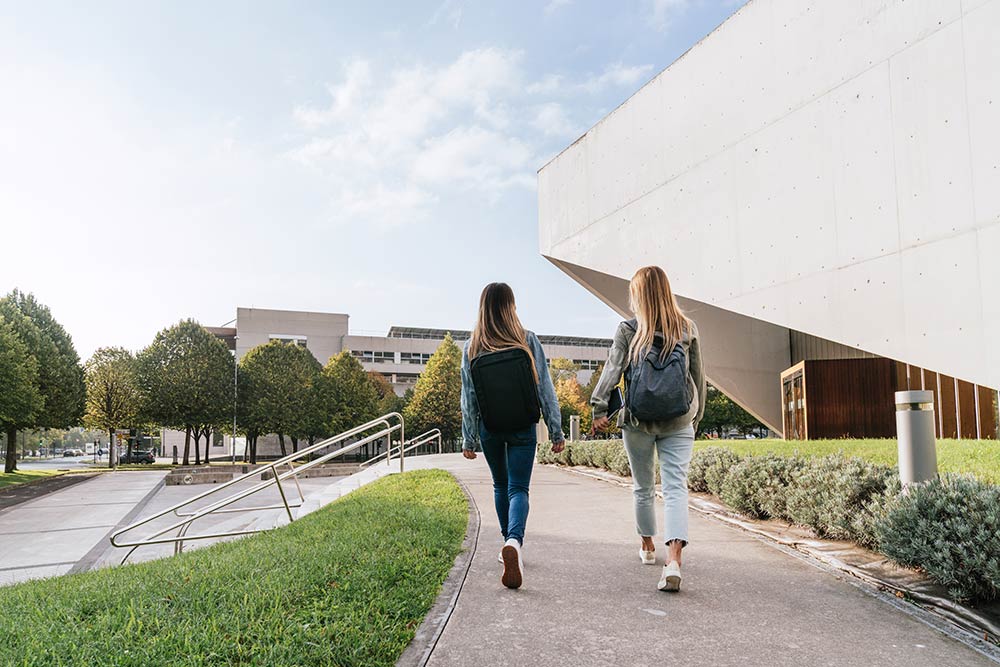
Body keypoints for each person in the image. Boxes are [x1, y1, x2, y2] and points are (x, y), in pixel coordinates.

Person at [590, 266, 706, 592]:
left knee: (642, 488)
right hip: (679, 420)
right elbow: (698, 377)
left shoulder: (629, 330)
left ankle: (648, 546)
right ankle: (674, 560)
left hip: (637, 422)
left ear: (637, 295)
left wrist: (599, 407)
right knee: (675, 488)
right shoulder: (687, 328)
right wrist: (696, 417)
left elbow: (612, 369)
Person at [461, 282, 565, 589]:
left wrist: (469, 438)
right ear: (511, 307)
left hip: (490, 428)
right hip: (523, 425)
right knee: (519, 488)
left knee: (500, 485)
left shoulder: (472, 347)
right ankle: (514, 542)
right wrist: (556, 430)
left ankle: (507, 542)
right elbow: (545, 388)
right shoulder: (527, 339)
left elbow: (468, 398)